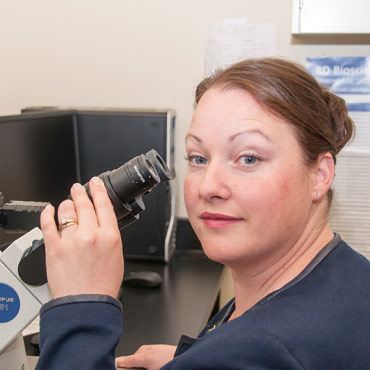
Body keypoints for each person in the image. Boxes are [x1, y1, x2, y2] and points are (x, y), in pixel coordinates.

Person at [36, 58, 370, 370]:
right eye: (198, 158)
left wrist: (80, 303)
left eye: (248, 158)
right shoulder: (349, 279)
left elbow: (258, 350)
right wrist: (193, 357)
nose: (209, 186)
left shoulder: (263, 350)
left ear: (320, 175)